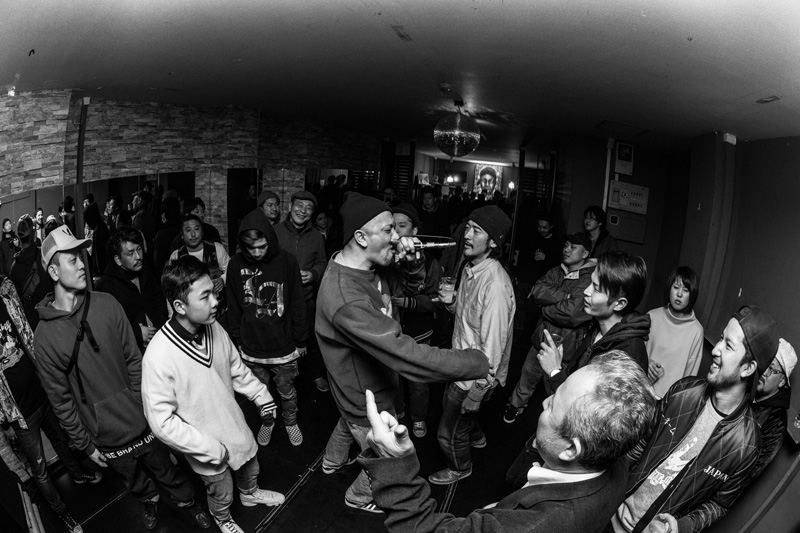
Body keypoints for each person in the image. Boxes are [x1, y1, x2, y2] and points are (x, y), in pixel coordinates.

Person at [316, 192, 489, 512]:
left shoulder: (363, 262)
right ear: (361, 237)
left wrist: (412, 260)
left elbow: (409, 289)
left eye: (397, 228)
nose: (397, 236)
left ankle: (331, 460)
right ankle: (358, 496)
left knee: (348, 423)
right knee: (384, 456)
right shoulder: (346, 297)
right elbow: (406, 355)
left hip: (361, 383)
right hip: (366, 395)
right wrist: (473, 362)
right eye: (388, 230)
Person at [32, 225, 210, 531]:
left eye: (81, 257)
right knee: (133, 479)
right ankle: (150, 499)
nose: (82, 264)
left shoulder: (107, 303)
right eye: (72, 259)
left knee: (167, 469)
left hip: (141, 417)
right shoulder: (44, 337)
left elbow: (134, 359)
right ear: (54, 271)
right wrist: (85, 444)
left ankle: (187, 502)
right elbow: (60, 400)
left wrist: (145, 405)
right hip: (103, 434)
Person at [361, 352, 658, 532]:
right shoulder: (613, 454)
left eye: (553, 406)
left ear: (571, 449)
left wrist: (396, 465)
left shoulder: (539, 524)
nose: (545, 403)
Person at [143, 256, 285, 533]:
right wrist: (210, 448)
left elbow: (234, 366)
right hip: (205, 445)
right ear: (180, 306)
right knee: (221, 490)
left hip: (233, 423)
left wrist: (261, 394)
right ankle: (223, 518)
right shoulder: (158, 357)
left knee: (250, 465)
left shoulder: (213, 327)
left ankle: (250, 494)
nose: (216, 301)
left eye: (214, 292)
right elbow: (161, 423)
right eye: (205, 296)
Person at [611, 305, 775, 533]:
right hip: (611, 511)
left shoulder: (746, 445)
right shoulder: (683, 391)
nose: (715, 349)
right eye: (720, 339)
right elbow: (638, 443)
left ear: (747, 368)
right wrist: (611, 489)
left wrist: (682, 526)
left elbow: (719, 505)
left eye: (728, 346)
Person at [0, 274, 100, 533]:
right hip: (19, 412)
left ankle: (78, 474)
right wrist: (3, 418)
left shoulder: (5, 291)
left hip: (40, 389)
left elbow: (26, 331)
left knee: (60, 440)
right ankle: (60, 511)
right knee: (40, 467)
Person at [429, 205, 516, 485]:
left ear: (494, 242)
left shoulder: (495, 287)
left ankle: (460, 467)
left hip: (472, 377)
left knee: (448, 432)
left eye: (477, 231)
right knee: (460, 417)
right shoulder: (470, 268)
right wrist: (452, 303)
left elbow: (492, 351)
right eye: (467, 227)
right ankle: (475, 435)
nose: (467, 235)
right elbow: (469, 317)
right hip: (460, 362)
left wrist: (477, 394)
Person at [226, 208, 308, 447]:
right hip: (251, 346)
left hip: (284, 346)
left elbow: (297, 303)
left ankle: (290, 422)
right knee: (259, 392)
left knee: (287, 391)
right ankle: (267, 422)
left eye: (262, 247)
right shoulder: (235, 265)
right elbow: (233, 306)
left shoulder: (287, 262)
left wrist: (301, 340)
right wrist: (237, 340)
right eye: (250, 248)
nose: (256, 253)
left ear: (270, 240)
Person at [504, 232, 595, 424]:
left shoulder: (589, 279)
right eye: (566, 245)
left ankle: (555, 422)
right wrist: (565, 296)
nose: (567, 249)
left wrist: (546, 309)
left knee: (557, 389)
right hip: (542, 339)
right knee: (527, 377)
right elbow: (536, 291)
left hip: (566, 348)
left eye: (573, 247)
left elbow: (573, 314)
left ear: (585, 253)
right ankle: (516, 405)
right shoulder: (556, 271)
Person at [537, 250, 649, 395]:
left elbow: (587, 407)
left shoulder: (627, 356)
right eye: (590, 282)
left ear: (619, 304)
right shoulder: (597, 327)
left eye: (596, 288)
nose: (586, 291)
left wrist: (554, 371)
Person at [386, 203, 442, 438]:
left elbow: (436, 301)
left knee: (418, 379)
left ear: (415, 231)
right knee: (393, 377)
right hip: (393, 330)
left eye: (402, 226)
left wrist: (408, 303)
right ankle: (397, 412)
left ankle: (419, 417)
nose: (397, 232)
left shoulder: (430, 263)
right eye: (392, 226)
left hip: (419, 331)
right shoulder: (387, 258)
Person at [273, 190, 329, 392]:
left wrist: (313, 274)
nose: (302, 211)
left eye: (308, 208)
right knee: (280, 339)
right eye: (299, 205)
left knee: (311, 340)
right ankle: (281, 380)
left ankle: (315, 374)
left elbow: (322, 262)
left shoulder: (316, 237)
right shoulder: (275, 231)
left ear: (312, 213)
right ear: (290, 207)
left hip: (306, 299)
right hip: (279, 299)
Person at [96, 227, 168, 353]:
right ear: (118, 260)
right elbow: (108, 328)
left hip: (160, 342)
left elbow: (159, 298)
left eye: (139, 249)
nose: (138, 256)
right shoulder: (105, 287)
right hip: (132, 352)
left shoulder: (145, 269)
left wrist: (161, 324)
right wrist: (136, 334)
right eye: (130, 253)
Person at [646, 266, 704, 398]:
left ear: (692, 294)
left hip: (668, 401)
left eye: (685, 290)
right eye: (676, 287)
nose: (679, 294)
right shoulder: (652, 316)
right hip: (640, 389)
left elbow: (690, 377)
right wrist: (647, 362)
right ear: (669, 289)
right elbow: (636, 353)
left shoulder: (696, 331)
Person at [168, 214, 230, 327]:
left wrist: (222, 280)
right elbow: (171, 288)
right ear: (182, 235)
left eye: (196, 229)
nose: (193, 234)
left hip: (218, 311)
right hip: (192, 315)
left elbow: (231, 270)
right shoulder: (177, 255)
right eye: (188, 230)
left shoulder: (216, 248)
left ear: (202, 232)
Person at [749, 338, 796, 481]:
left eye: (772, 369)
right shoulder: (748, 387)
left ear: (782, 381)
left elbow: (751, 471)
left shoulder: (776, 422)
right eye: (766, 365)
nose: (764, 372)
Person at [9, 215, 53, 330]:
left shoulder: (14, 268)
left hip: (32, 326)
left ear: (19, 237)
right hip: (51, 317)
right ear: (33, 234)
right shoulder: (44, 255)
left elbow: (16, 303)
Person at [516, 212, 563, 287]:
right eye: (539, 227)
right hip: (526, 282)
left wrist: (545, 258)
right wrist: (518, 276)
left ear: (551, 227)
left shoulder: (556, 243)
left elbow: (558, 263)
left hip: (544, 284)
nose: (541, 230)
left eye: (545, 227)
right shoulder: (531, 238)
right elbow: (521, 258)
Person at [83, 202, 110, 278]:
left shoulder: (98, 231)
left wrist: (100, 273)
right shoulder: (101, 226)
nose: (87, 223)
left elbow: (99, 255)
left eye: (87, 220)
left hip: (102, 271)